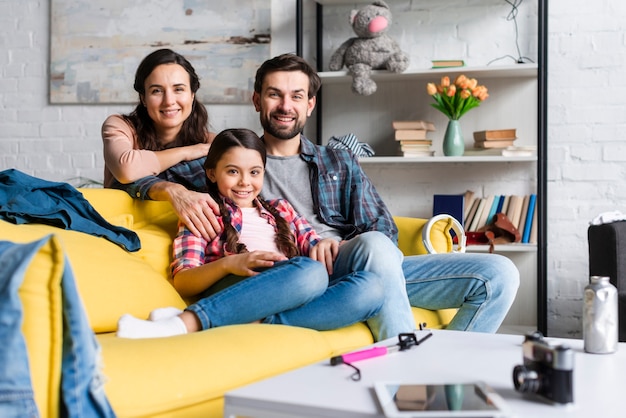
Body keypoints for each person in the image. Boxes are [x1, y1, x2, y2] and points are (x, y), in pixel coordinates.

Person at [250, 53, 520, 340]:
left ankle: (444, 368)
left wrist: (344, 246)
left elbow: (382, 227)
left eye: (296, 96)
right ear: (257, 100)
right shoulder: (234, 164)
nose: (285, 106)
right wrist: (192, 183)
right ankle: (402, 366)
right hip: (300, 275)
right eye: (274, 95)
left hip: (358, 261)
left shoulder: (337, 161)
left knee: (500, 275)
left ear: (310, 104)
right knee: (375, 247)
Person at [116, 128, 384, 339]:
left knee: (371, 288)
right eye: (233, 172)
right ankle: (187, 322)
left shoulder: (282, 210)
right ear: (211, 173)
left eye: (254, 172)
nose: (245, 182)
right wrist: (230, 263)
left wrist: (325, 243)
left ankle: (255, 321)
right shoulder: (205, 212)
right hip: (238, 283)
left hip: (289, 285)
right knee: (310, 273)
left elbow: (315, 246)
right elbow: (183, 280)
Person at [102, 48, 220, 240]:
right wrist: (174, 185)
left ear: (192, 94)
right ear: (143, 98)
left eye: (179, 89)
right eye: (157, 91)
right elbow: (126, 169)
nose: (169, 101)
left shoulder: (212, 143)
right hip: (126, 234)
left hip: (188, 239)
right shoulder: (120, 126)